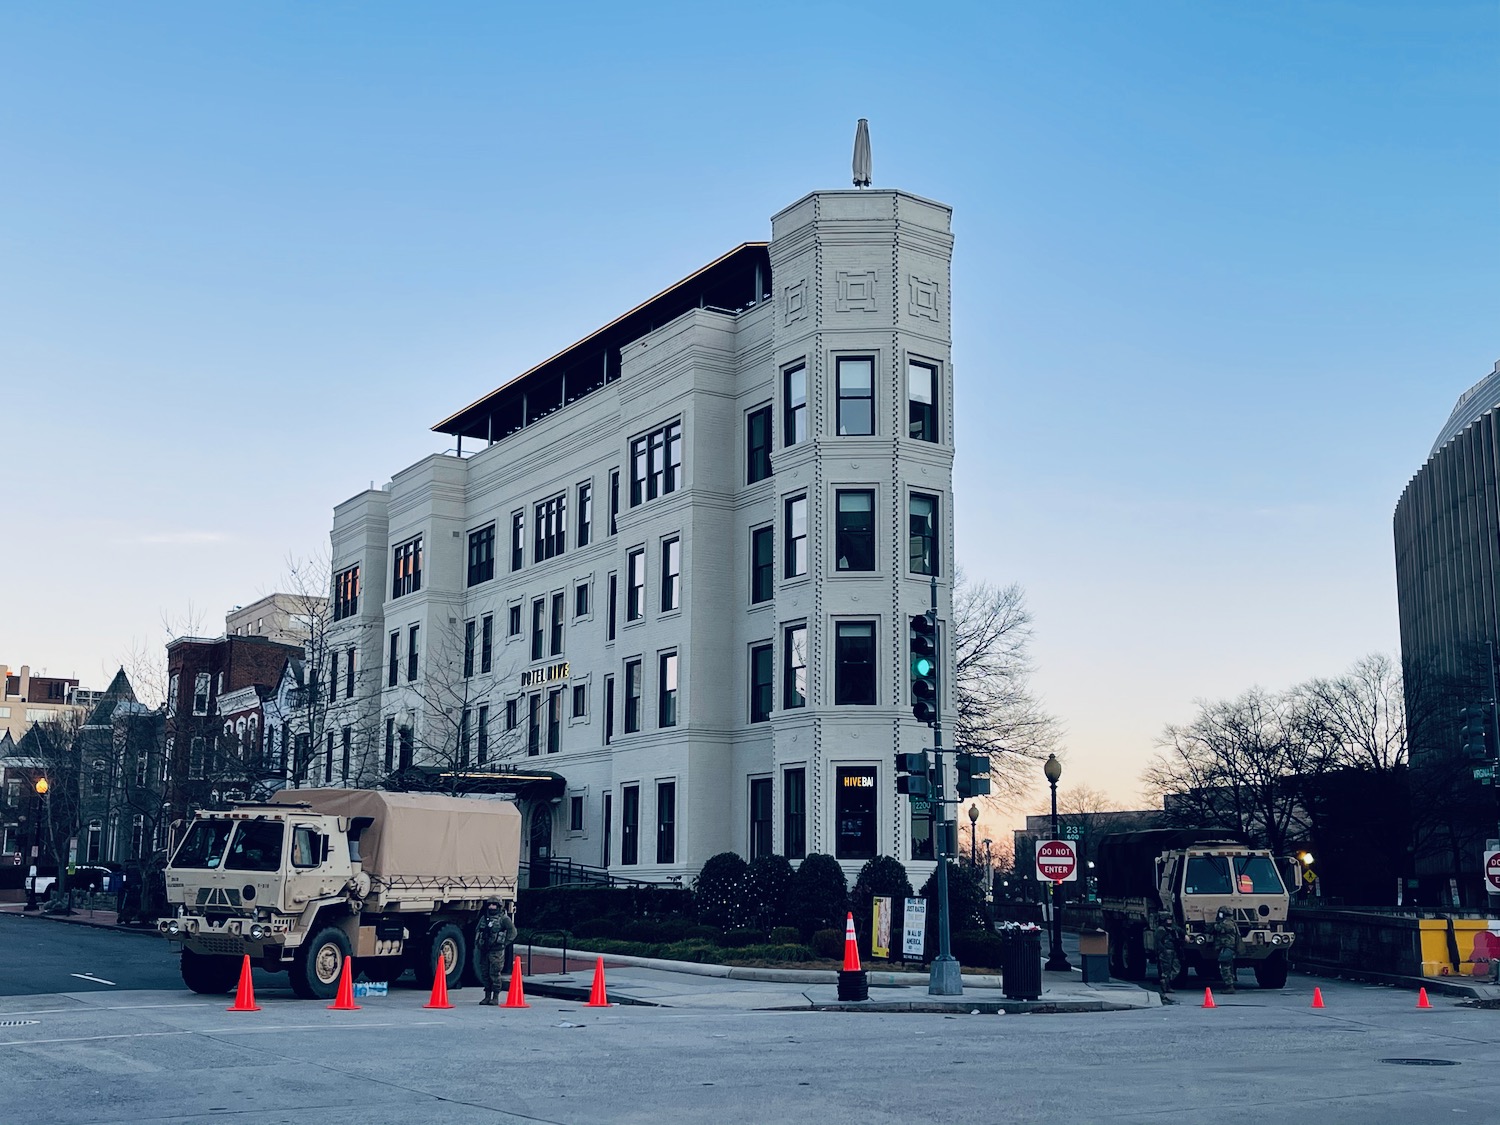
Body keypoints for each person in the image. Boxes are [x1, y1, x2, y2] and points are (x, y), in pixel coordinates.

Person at [474, 899, 517, 1005]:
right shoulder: (484, 918)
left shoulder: (504, 919)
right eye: (490, 905)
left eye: (494, 905)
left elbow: (513, 932)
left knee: (495, 973)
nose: (492, 907)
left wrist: (504, 943)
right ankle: (487, 996)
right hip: (484, 950)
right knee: (485, 973)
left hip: (496, 951)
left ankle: (495, 996)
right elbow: (478, 930)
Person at [1153, 914, 1181, 999]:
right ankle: (1166, 985)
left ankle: (1166, 981)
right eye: (1168, 920)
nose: (1169, 921)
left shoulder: (1172, 928)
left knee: (1176, 968)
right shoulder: (1161, 930)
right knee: (1166, 970)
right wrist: (1163, 951)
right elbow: (1158, 942)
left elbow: (1180, 931)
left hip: (1173, 951)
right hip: (1166, 952)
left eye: (1170, 920)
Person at [1213, 907, 1239, 993]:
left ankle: (1229, 986)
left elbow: (1217, 928)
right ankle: (1230, 984)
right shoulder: (1231, 922)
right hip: (1228, 947)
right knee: (1228, 965)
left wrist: (1216, 923)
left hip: (1228, 947)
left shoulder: (1227, 923)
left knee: (1225, 966)